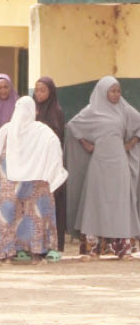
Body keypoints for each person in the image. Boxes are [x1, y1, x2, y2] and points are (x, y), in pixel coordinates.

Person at [0, 96, 68, 265]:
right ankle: (37, 254)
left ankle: (4, 255)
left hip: (10, 182)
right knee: (35, 214)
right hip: (36, 181)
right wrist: (53, 172)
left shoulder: (6, 130)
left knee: (7, 214)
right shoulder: (42, 131)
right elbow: (55, 148)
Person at [66, 76, 140, 261]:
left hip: (119, 163)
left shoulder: (124, 109)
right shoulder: (92, 110)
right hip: (99, 163)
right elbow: (73, 125)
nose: (116, 94)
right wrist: (86, 144)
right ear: (103, 92)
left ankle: (123, 249)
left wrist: (131, 143)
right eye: (112, 91)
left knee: (120, 204)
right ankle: (92, 249)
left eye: (118, 90)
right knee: (95, 203)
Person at [33, 77, 66, 252]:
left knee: (53, 202)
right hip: (34, 164)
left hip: (50, 163)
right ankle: (36, 244)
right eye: (37, 89)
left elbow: (56, 137)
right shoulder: (31, 110)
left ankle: (55, 245)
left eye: (43, 90)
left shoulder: (56, 111)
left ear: (51, 92)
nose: (39, 93)